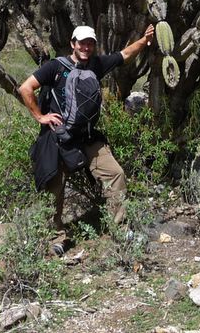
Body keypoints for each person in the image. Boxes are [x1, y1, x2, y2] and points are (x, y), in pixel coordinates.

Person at [19, 23, 154, 237]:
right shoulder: (55, 67)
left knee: (115, 175)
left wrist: (145, 41)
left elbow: (125, 54)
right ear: (73, 44)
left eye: (90, 43)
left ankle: (116, 228)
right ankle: (56, 236)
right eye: (82, 43)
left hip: (88, 136)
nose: (86, 47)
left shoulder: (96, 64)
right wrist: (40, 116)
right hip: (59, 138)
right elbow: (25, 88)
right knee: (55, 187)